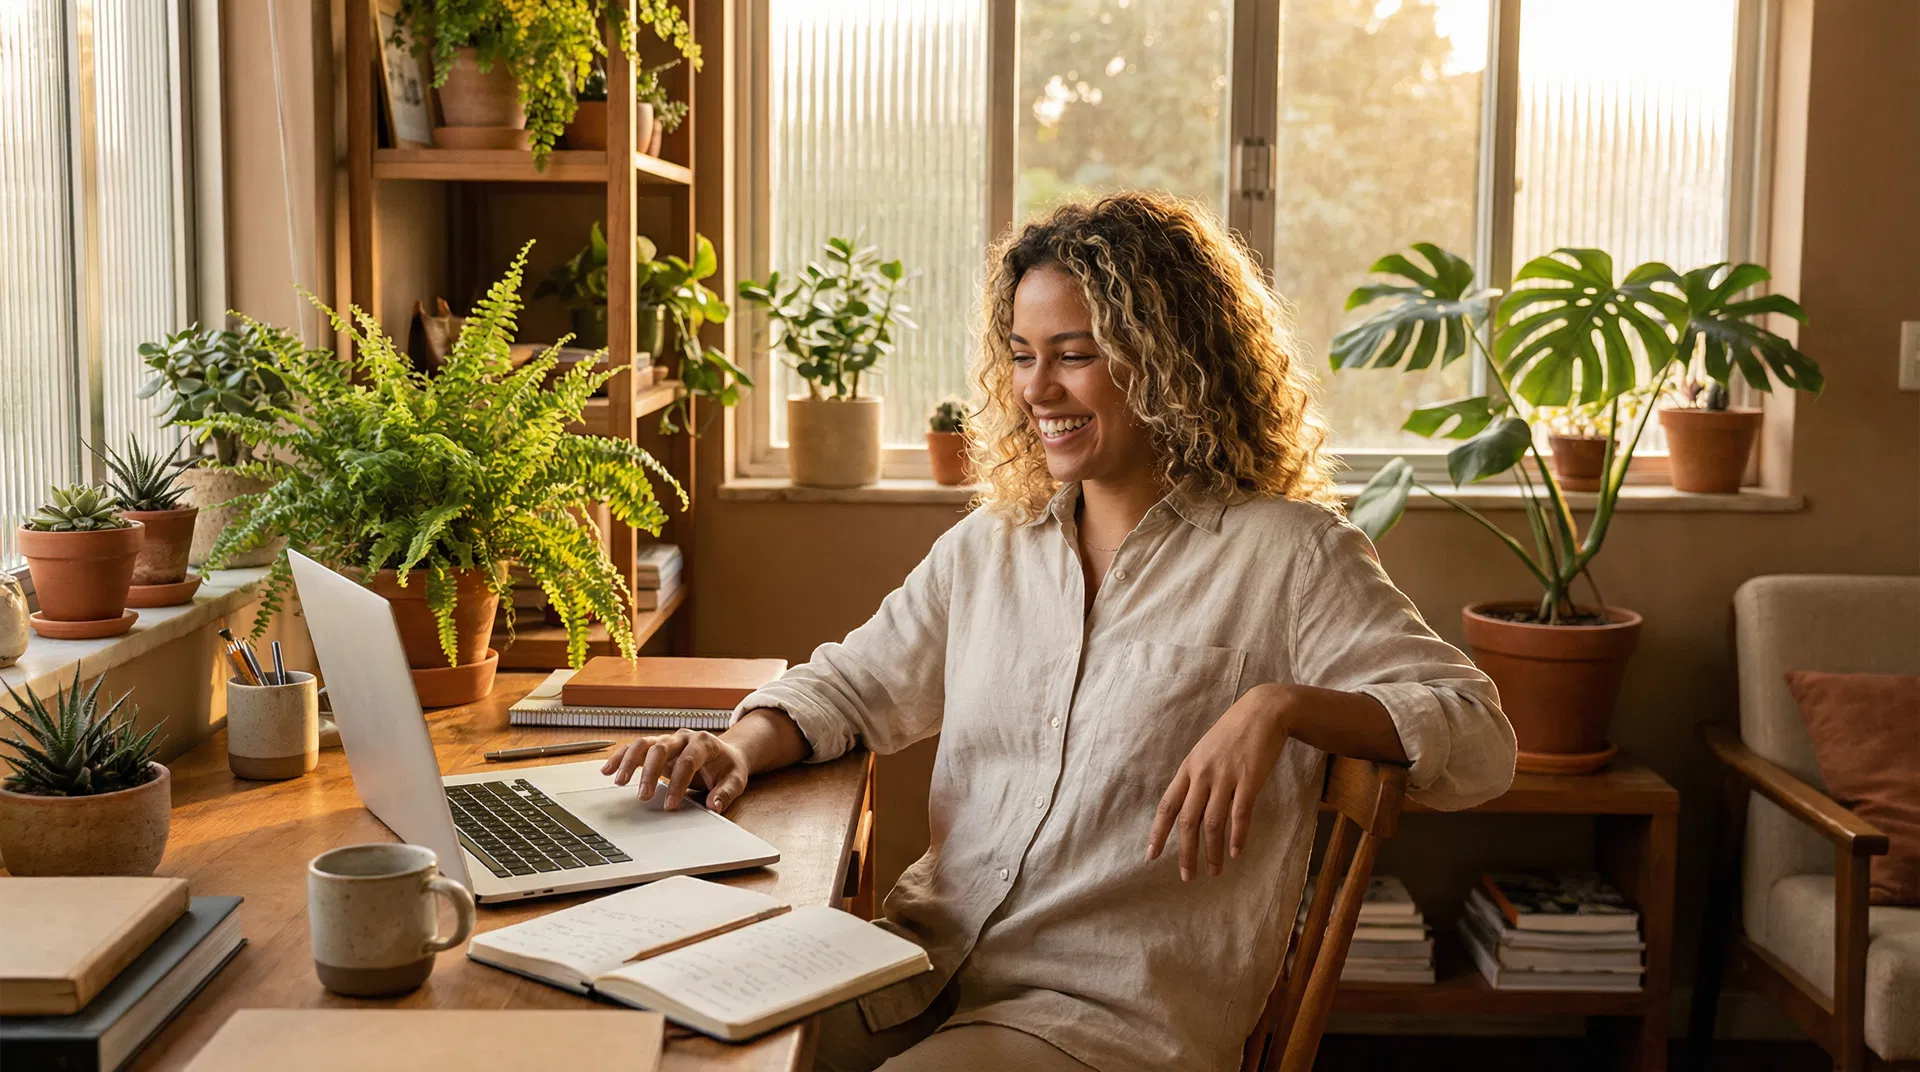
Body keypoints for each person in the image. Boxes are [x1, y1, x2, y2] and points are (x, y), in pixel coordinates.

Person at [602, 192, 1516, 1072]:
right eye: (1021, 354)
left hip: (1109, 1018)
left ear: (1168, 360)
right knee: (669, 1043)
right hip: (916, 966)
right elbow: (850, 687)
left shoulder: (1290, 555)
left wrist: (1282, 706)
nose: (1037, 389)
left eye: (1073, 354)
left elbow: (1478, 739)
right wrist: (737, 746)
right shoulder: (989, 548)